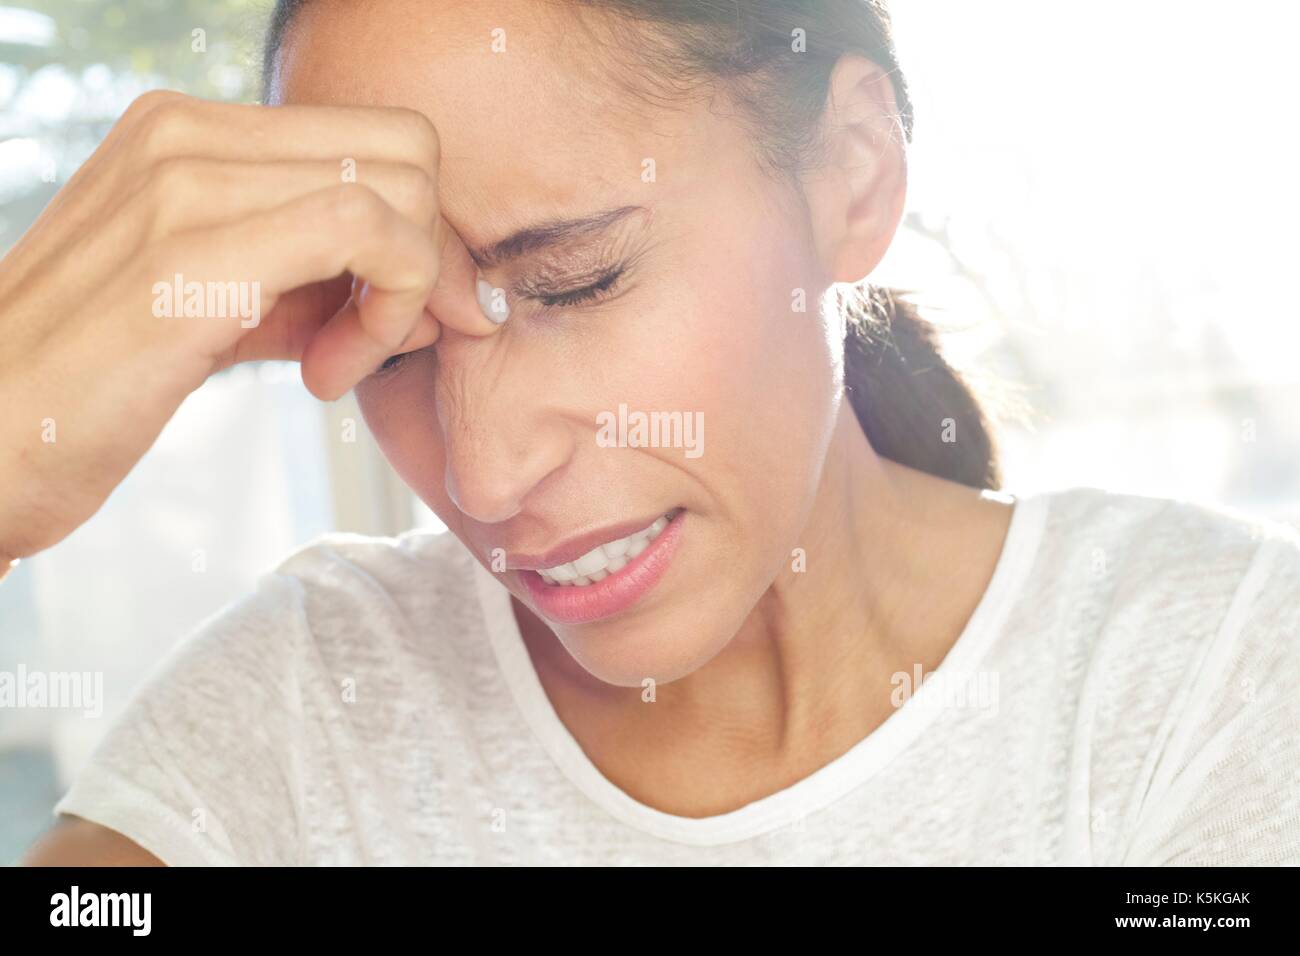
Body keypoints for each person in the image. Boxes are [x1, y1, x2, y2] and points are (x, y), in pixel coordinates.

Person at [12, 0, 1299, 865]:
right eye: (393, 344)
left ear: (851, 172)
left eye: (573, 281)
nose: (485, 471)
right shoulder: (302, 714)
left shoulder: (1210, 684)